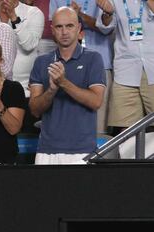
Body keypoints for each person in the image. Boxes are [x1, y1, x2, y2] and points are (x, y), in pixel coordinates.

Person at [29, 7, 106, 165]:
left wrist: (63, 83)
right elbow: (35, 109)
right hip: (46, 151)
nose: (64, 32)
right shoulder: (41, 62)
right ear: (52, 30)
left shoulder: (93, 59)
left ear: (78, 28)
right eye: (59, 26)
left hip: (82, 152)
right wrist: (51, 90)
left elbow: (96, 101)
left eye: (69, 26)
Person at [50, 0, 114, 135]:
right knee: (66, 125)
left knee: (98, 128)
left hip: (100, 62)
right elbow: (55, 32)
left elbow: (107, 28)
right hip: (65, 63)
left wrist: (80, 16)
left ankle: (95, 156)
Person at [96, 0, 154, 132]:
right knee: (126, 130)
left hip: (152, 69)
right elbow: (105, 27)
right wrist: (107, 13)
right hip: (125, 71)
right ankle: (131, 153)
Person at [0, 0, 44, 97]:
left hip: (25, 89)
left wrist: (14, 18)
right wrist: (3, 23)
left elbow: (29, 45)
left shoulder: (34, 13)